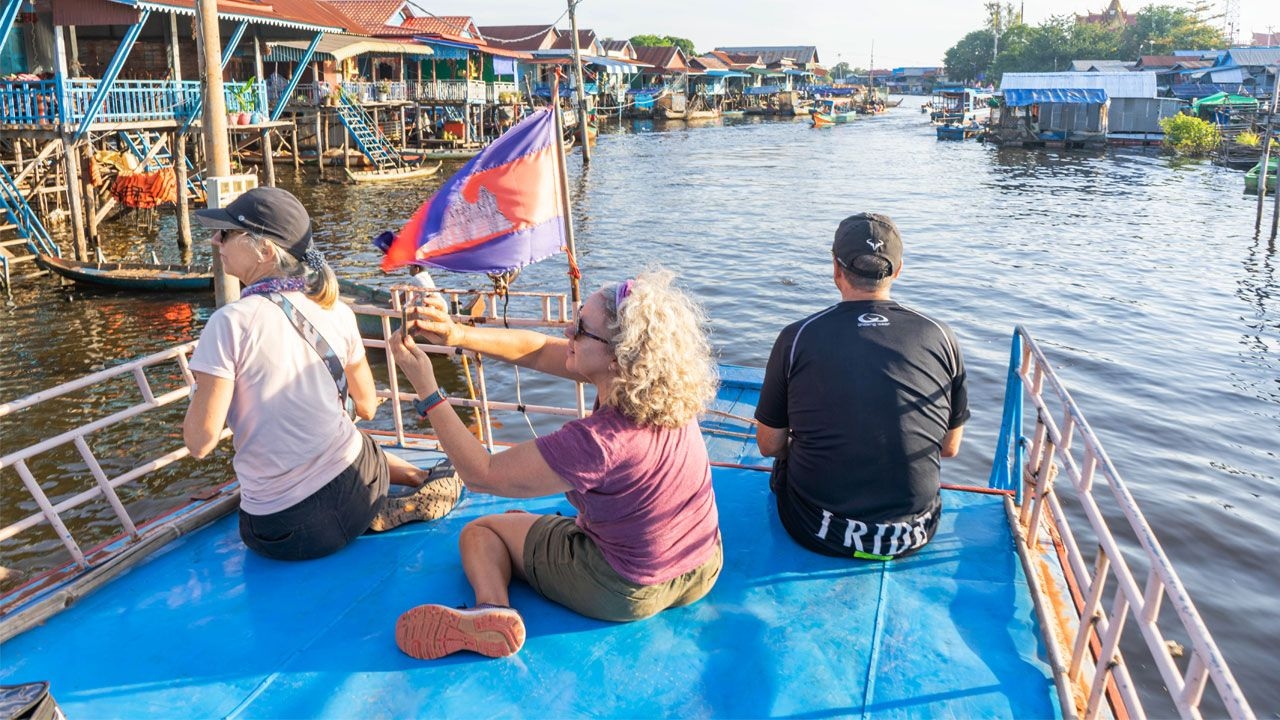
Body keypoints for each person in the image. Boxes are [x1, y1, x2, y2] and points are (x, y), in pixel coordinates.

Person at [387, 269, 723, 660]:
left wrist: (427, 390)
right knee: (527, 518)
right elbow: (538, 350)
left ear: (616, 357)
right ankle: (531, 540)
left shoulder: (597, 442)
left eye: (580, 328)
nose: (567, 330)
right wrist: (457, 335)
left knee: (481, 533)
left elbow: (482, 475)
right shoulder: (662, 389)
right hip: (701, 566)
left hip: (625, 589)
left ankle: (491, 609)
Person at [182, 187, 462, 562]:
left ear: (265, 250)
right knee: (354, 440)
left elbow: (200, 443)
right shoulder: (339, 312)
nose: (216, 239)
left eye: (227, 233)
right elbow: (365, 406)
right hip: (355, 492)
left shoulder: (228, 323)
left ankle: (399, 492)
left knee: (339, 447)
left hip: (278, 532)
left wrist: (201, 391)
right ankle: (413, 481)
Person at [755, 213, 969, 561]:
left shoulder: (797, 337)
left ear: (836, 269)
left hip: (817, 529)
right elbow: (949, 447)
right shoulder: (941, 335)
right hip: (914, 532)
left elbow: (768, 444)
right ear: (898, 270)